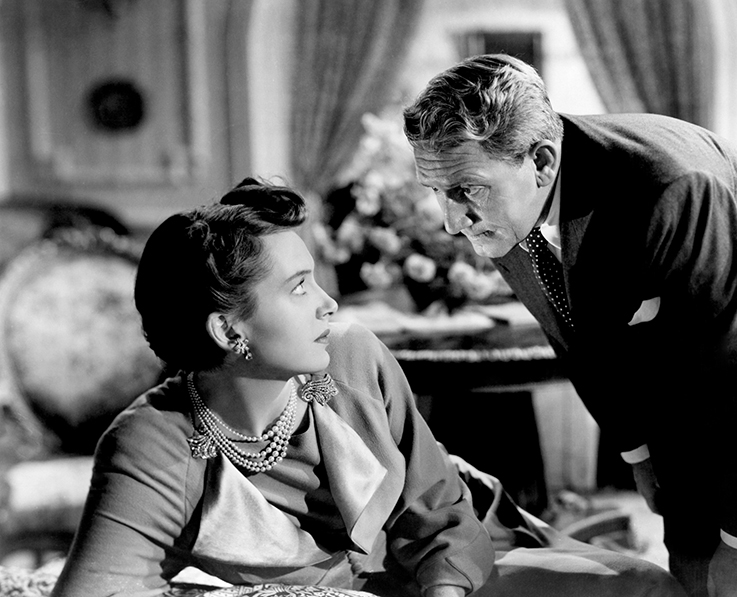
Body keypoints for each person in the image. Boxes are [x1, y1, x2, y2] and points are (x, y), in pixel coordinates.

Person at [51, 178, 686, 597]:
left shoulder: (350, 355)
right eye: (299, 287)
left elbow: (439, 513)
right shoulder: (153, 444)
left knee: (642, 586)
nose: (328, 304)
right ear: (228, 328)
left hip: (458, 556)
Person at [402, 53, 737, 597]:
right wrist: (639, 453)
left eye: (465, 190)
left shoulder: (668, 187)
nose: (451, 222)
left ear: (542, 162)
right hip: (687, 381)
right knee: (693, 573)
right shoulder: (507, 203)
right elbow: (578, 341)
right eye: (436, 192)